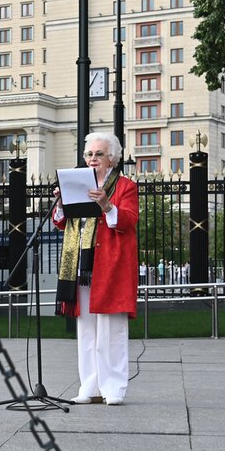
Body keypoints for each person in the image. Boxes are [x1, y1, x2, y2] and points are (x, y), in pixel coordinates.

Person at [53, 132, 138, 406]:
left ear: (112, 159)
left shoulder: (125, 186)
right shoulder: (77, 184)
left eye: (99, 154)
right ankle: (89, 387)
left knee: (111, 331)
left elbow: (128, 220)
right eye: (89, 154)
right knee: (87, 330)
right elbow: (62, 223)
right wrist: (60, 203)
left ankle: (113, 388)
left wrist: (106, 205)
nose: (93, 159)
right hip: (81, 265)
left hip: (110, 266)